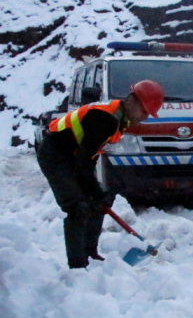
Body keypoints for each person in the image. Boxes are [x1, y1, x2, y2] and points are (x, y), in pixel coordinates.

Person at [37, 80, 164, 269]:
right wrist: (95, 190)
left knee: (99, 203)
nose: (144, 117)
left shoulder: (119, 119)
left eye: (147, 114)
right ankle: (77, 266)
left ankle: (90, 253)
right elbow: (83, 161)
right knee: (77, 206)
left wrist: (97, 194)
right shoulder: (105, 118)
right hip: (55, 155)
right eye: (143, 111)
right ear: (131, 100)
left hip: (72, 155)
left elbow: (90, 155)